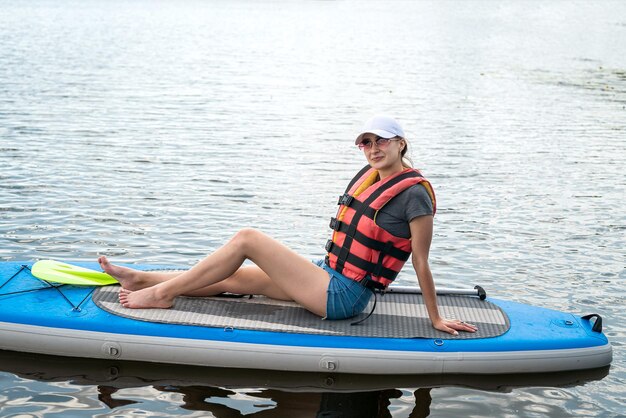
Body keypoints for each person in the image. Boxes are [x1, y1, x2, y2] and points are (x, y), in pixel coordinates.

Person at [99, 115, 477, 336]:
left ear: (401, 144)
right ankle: (142, 279)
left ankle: (161, 296)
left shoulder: (415, 195)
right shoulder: (372, 176)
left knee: (248, 239)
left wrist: (436, 317)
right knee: (235, 278)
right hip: (326, 275)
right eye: (366, 143)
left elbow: (421, 261)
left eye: (381, 142)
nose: (373, 149)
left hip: (343, 297)